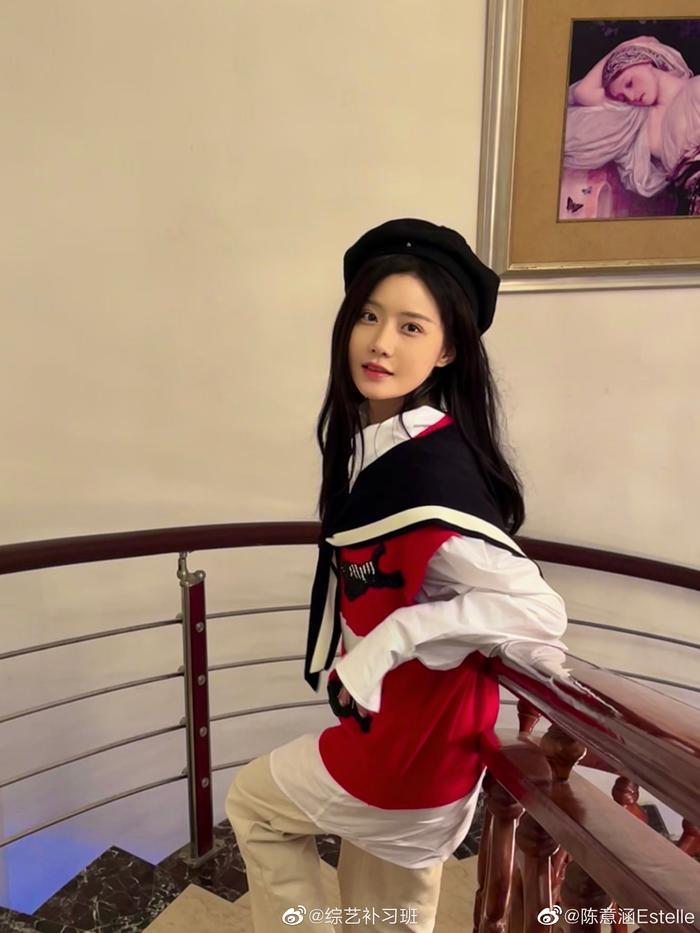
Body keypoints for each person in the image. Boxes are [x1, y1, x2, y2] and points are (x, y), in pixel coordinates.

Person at [225, 218, 568, 932]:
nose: (380, 342)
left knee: (253, 805)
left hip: (412, 756)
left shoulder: (430, 474)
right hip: (400, 741)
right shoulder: (380, 445)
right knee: (375, 911)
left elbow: (538, 612)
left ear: (448, 349)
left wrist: (394, 638)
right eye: (369, 316)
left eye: (412, 327)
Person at [564, 36, 700, 213]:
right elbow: (583, 93)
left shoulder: (696, 88)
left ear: (644, 61)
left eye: (629, 84)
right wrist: (620, 47)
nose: (630, 97)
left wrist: (631, 48)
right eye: (622, 98)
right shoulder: (641, 119)